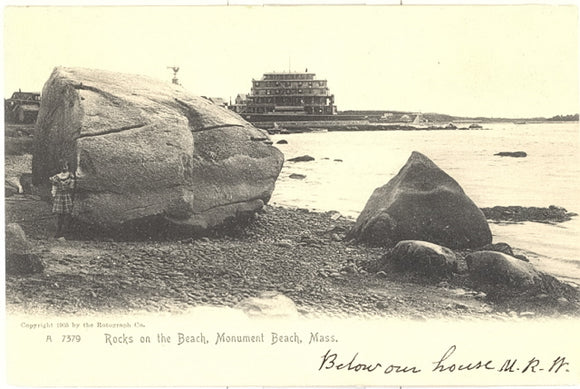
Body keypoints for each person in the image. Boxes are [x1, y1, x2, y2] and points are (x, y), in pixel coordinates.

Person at [49, 160, 75, 238]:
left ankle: (65, 232)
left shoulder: (70, 176)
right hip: (59, 196)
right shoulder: (56, 177)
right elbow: (54, 187)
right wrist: (53, 195)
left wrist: (71, 185)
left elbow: (72, 187)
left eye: (65, 166)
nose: (64, 168)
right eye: (62, 166)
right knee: (59, 214)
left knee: (67, 214)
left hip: (67, 195)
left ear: (68, 167)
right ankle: (58, 231)